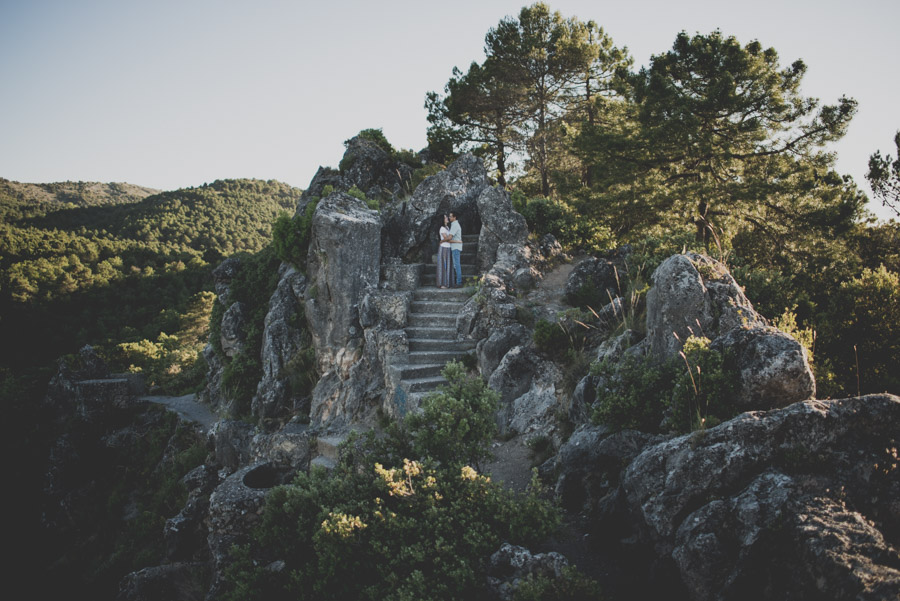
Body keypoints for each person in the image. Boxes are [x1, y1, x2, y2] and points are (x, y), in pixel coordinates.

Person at [436, 214, 454, 288]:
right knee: (443, 265)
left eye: (447, 217)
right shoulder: (442, 228)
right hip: (443, 248)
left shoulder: (447, 227)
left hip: (448, 247)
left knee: (449, 265)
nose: (447, 218)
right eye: (445, 217)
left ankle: (448, 283)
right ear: (442, 220)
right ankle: (442, 284)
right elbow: (447, 238)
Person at [448, 211, 463, 287]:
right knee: (455, 265)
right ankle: (458, 281)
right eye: (449, 216)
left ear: (454, 217)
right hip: (455, 246)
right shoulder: (454, 224)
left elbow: (449, 237)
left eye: (450, 216)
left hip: (456, 247)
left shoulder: (455, 225)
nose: (449, 218)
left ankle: (459, 282)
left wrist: (443, 240)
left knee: (456, 265)